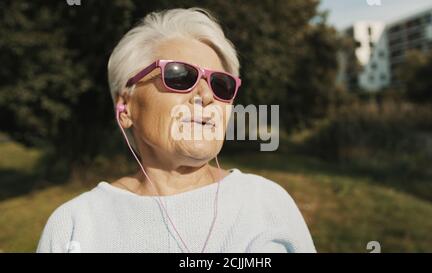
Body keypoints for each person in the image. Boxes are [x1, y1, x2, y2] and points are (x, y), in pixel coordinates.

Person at [36, 7, 315, 253]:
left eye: (221, 84)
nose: (206, 96)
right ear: (126, 106)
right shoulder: (74, 225)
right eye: (180, 75)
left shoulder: (267, 202)